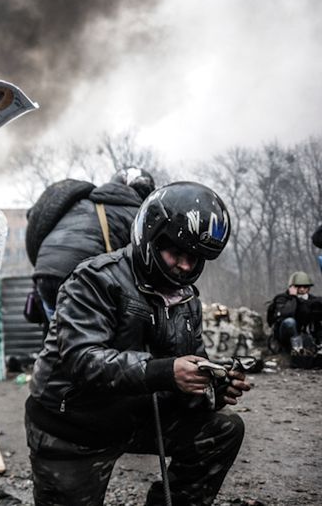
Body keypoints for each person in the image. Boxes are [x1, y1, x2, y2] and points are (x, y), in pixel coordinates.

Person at [24, 181, 251, 506]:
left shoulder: (186, 300)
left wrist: (212, 387)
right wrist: (166, 371)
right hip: (74, 426)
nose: (186, 266)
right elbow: (82, 360)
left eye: (196, 258)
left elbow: (185, 375)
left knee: (223, 429)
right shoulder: (93, 280)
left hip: (133, 417)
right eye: (177, 251)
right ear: (150, 236)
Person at [32, 167, 156, 320]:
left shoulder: (82, 203)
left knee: (56, 332)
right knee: (85, 335)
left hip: (44, 273)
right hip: (78, 277)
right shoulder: (135, 214)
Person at [267, 271, 322, 352]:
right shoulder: (282, 298)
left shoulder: (313, 300)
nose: (302, 289)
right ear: (292, 287)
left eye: (305, 286)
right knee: (289, 322)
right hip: (285, 334)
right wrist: (293, 297)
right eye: (298, 286)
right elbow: (286, 313)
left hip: (305, 333)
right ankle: (297, 349)